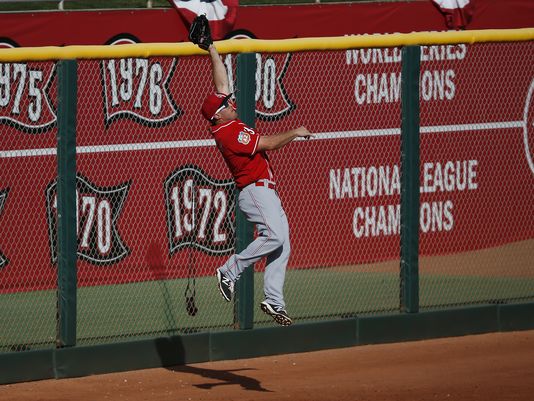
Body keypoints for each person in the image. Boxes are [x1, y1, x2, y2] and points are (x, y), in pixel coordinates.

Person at [200, 44, 312, 326]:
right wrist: (295, 132)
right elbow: (269, 143)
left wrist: (210, 48)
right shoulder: (228, 132)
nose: (232, 104)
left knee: (282, 244)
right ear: (218, 115)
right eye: (227, 105)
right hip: (254, 190)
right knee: (274, 235)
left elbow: (222, 81)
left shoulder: (225, 119)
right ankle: (229, 270)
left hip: (264, 191)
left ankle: (274, 300)